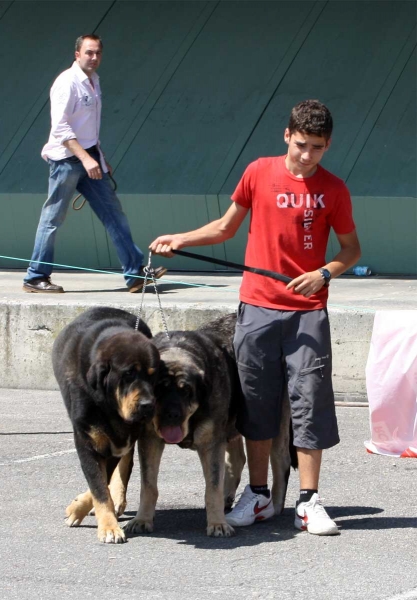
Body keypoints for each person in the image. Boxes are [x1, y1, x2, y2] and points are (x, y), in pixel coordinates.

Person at [150, 99, 361, 536]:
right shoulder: (258, 172)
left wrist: (322, 274)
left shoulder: (334, 190)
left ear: (328, 145)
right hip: (258, 309)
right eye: (301, 144)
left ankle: (309, 501)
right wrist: (180, 237)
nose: (307, 155)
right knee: (256, 406)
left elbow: (350, 251)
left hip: (307, 314)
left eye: (317, 148)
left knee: (309, 403)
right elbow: (226, 228)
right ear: (287, 136)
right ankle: (260, 495)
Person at [23, 34, 165, 293]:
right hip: (67, 160)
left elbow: (88, 128)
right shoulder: (67, 82)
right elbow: (61, 128)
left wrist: (98, 156)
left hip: (90, 158)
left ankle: (134, 274)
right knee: (52, 218)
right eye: (89, 52)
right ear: (76, 54)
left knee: (114, 214)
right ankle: (35, 277)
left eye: (98, 52)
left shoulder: (93, 81)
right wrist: (86, 158)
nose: (94, 57)